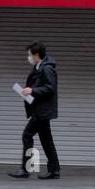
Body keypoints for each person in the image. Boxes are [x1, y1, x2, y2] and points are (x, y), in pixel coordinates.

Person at [9, 42, 60, 180]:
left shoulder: (47, 69)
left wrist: (32, 90)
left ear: (37, 55)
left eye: (30, 54)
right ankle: (54, 170)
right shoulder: (38, 67)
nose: (29, 57)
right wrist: (28, 91)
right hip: (39, 109)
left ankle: (26, 169)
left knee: (27, 135)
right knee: (46, 140)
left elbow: (50, 88)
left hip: (42, 111)